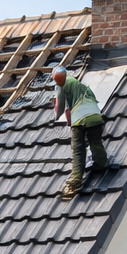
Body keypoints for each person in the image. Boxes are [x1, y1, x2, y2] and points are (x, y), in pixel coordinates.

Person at [52, 66, 109, 199]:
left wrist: (56, 114)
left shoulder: (61, 86)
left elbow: (61, 109)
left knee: (78, 148)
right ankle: (101, 163)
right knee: (95, 141)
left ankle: (75, 180)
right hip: (95, 116)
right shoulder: (82, 85)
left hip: (80, 118)